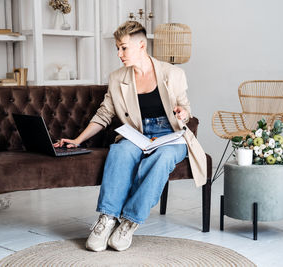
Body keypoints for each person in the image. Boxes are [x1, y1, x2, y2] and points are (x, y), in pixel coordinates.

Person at [54, 21, 207, 252]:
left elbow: (185, 109)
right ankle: (107, 219)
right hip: (137, 134)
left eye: (124, 48)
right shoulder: (117, 78)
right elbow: (104, 114)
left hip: (170, 136)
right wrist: (77, 140)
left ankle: (129, 222)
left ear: (141, 45)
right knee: (121, 150)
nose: (119, 54)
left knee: (163, 158)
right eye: (118, 48)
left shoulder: (173, 73)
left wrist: (183, 114)